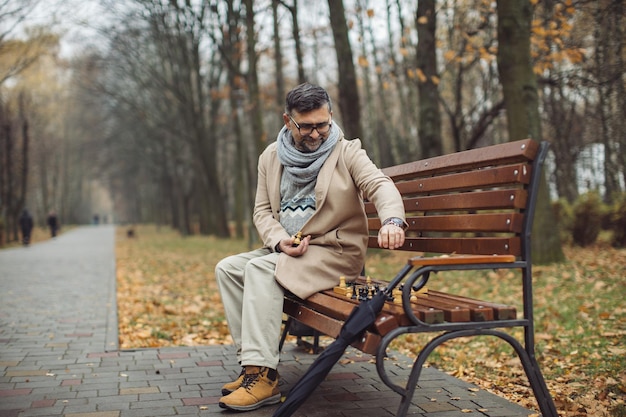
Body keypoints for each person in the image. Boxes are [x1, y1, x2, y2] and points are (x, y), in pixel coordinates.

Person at [215, 83, 407, 412]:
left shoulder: (347, 151)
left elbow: (379, 184)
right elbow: (262, 211)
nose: (316, 134)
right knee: (229, 268)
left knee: (261, 269)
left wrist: (392, 221)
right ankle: (252, 366)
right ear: (288, 121)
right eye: (307, 126)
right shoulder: (271, 157)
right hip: (289, 251)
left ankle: (263, 377)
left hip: (335, 253)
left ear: (331, 116)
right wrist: (279, 240)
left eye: (323, 124)